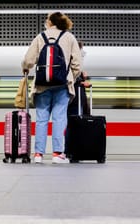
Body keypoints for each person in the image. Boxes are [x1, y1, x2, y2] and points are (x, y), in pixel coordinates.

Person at [21, 12, 82, 164]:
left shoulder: (40, 37)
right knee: (59, 118)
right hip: (62, 85)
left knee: (41, 119)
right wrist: (71, 79)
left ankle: (38, 155)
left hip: (42, 85)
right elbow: (77, 65)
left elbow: (28, 60)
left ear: (50, 22)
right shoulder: (69, 38)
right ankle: (57, 154)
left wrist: (26, 69)